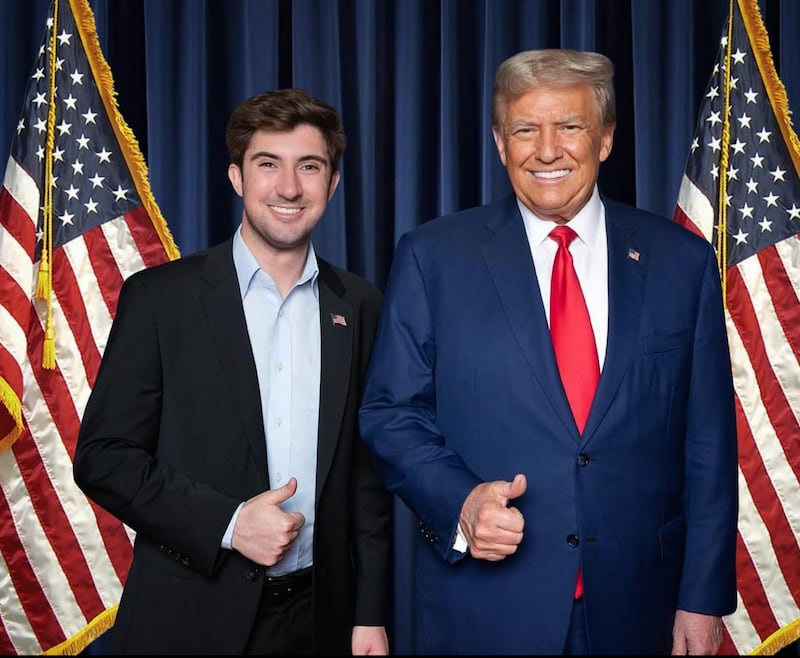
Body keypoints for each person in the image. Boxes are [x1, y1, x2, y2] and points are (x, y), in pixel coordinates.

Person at [358, 49, 738, 655]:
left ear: (606, 139)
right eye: (526, 129)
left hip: (643, 604)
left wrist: (703, 595)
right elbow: (390, 414)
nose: (547, 149)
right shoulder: (433, 257)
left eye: (570, 126)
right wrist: (459, 500)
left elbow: (709, 442)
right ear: (500, 141)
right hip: (486, 609)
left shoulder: (680, 263)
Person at [73, 88, 392, 655]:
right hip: (190, 617)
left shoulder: (361, 305)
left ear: (332, 184)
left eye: (309, 166)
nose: (289, 187)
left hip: (322, 620)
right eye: (268, 164)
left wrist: (369, 613)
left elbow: (367, 476)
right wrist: (229, 523)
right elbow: (104, 458)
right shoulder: (160, 299)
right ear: (237, 177)